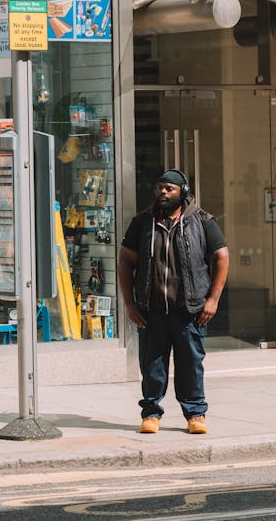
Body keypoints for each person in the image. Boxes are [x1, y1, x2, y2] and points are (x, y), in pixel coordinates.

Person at [118, 169, 229, 435]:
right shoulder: (142, 222)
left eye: (170, 188)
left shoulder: (202, 221)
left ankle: (195, 415)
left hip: (189, 310)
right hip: (151, 310)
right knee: (152, 365)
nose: (163, 193)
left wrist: (212, 300)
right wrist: (130, 304)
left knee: (190, 364)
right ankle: (151, 414)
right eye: (160, 188)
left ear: (183, 193)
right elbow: (125, 261)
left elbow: (221, 257)